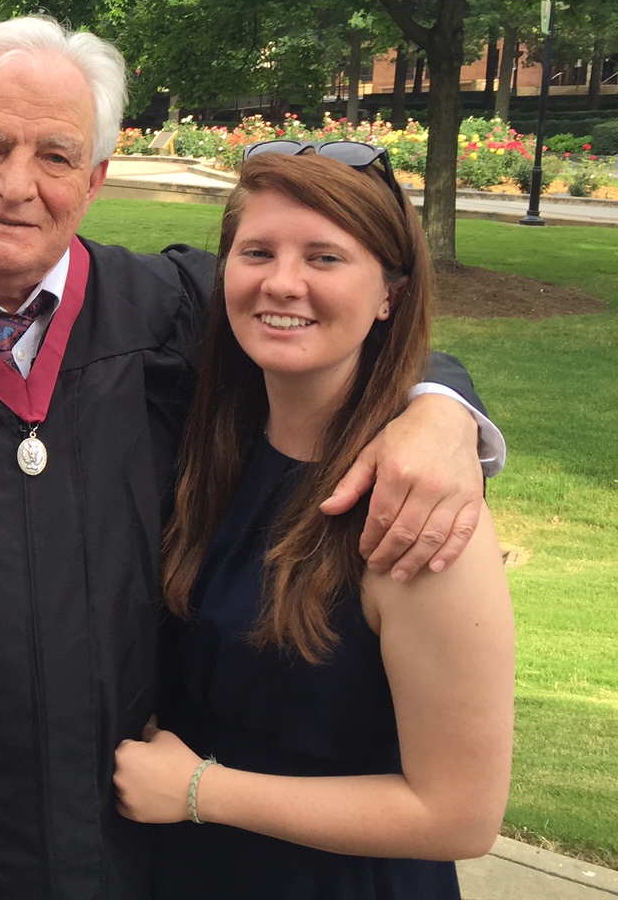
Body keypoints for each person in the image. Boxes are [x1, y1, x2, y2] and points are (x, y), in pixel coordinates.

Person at [0, 17, 503, 900]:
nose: (17, 185)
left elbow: (333, 324)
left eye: (56, 156)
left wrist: (440, 407)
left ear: (94, 179)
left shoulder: (169, 313)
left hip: (135, 852)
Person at [112, 146, 514, 897]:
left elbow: (459, 814)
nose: (283, 282)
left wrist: (202, 791)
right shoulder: (208, 449)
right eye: (256, 252)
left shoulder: (415, 511)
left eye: (325, 257)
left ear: (390, 293)